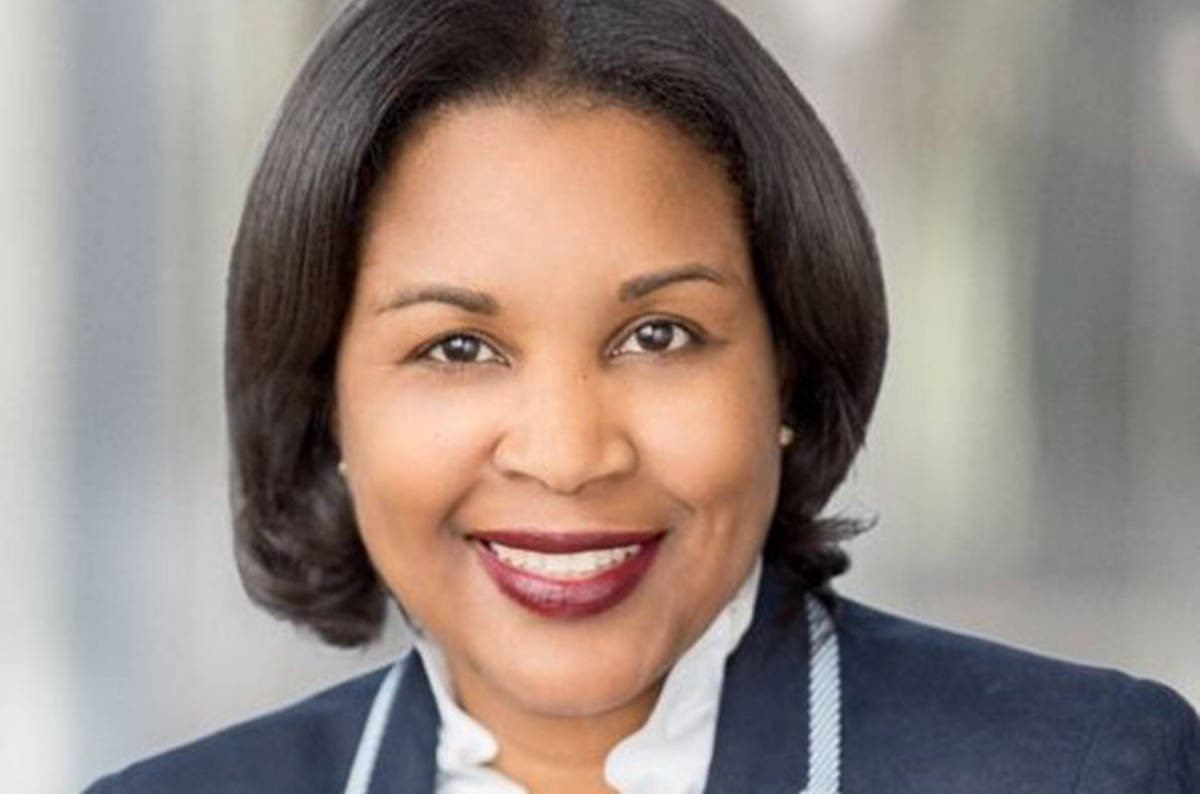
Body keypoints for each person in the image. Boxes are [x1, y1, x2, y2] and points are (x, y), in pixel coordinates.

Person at [83, 0, 1199, 792]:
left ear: (789, 369)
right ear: (329, 404)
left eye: (657, 334)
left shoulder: (1077, 767)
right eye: (459, 346)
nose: (568, 453)